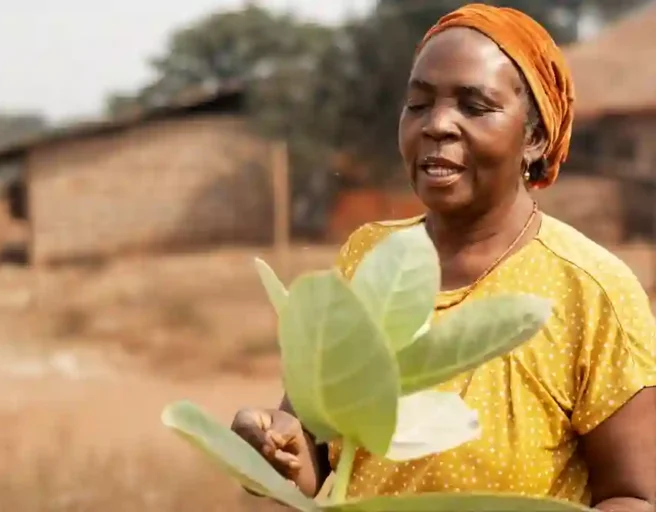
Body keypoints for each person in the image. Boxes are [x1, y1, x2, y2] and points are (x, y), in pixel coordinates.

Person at [230, 3, 656, 511]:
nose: (437, 125)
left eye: (474, 107)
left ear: (535, 137)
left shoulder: (589, 290)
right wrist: (275, 446)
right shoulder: (371, 258)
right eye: (418, 104)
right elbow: (314, 446)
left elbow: (635, 496)